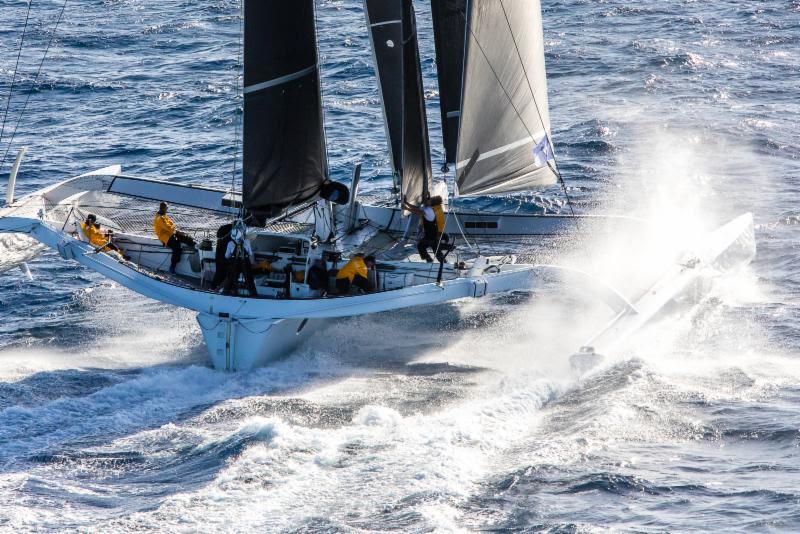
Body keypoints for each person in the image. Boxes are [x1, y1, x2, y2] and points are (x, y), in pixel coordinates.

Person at [402, 195, 448, 263]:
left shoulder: (429, 210)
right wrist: (407, 203)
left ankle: (430, 260)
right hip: (433, 235)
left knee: (421, 246)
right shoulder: (428, 208)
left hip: (431, 236)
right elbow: (417, 208)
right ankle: (443, 262)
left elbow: (419, 212)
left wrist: (407, 208)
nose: (425, 201)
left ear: (431, 202)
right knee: (435, 249)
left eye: (428, 200)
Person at [153, 201, 195, 274]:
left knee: (183, 237)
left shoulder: (163, 215)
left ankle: (194, 244)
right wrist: (176, 231)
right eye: (167, 207)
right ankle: (172, 267)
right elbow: (167, 227)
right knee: (176, 247)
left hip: (170, 233)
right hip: (164, 237)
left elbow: (171, 226)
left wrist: (176, 231)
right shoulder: (160, 218)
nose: (167, 208)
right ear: (163, 208)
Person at [222, 220, 258, 296]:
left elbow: (226, 256)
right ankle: (253, 295)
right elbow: (250, 253)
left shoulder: (230, 243)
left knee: (231, 279)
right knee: (249, 280)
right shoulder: (247, 241)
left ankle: (228, 293)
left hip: (234, 264)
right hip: (245, 263)